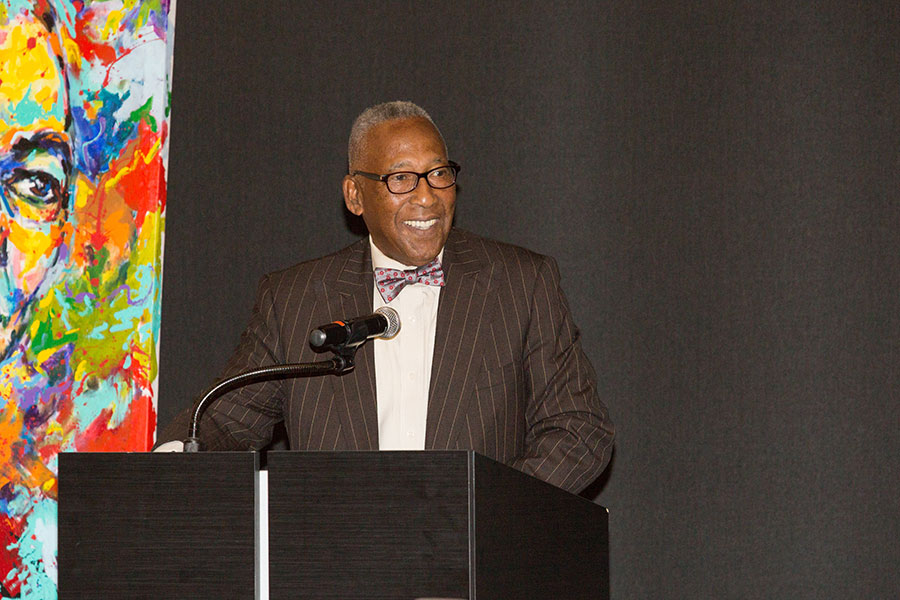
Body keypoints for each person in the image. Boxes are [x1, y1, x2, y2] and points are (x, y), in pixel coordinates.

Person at [160, 101, 614, 494]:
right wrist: (168, 462)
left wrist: (486, 513)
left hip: (475, 569)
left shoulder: (521, 284)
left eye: (438, 174)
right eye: (401, 178)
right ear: (355, 196)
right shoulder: (296, 300)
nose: (427, 197)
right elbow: (223, 422)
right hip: (342, 564)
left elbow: (580, 429)